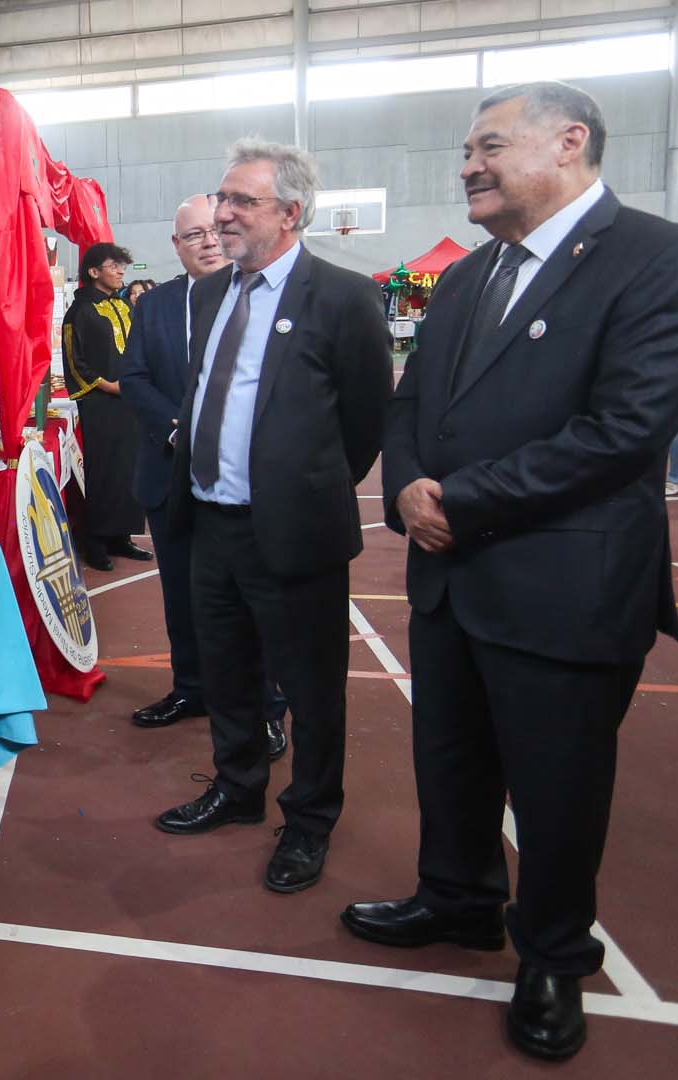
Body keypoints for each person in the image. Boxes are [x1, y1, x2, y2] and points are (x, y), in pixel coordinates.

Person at [353, 82, 678, 1062]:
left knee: (558, 789)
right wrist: (406, 491)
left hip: (566, 585)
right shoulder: (472, 278)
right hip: (451, 578)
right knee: (452, 762)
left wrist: (455, 501)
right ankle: (459, 898)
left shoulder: (664, 260)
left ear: (569, 143)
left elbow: (624, 430)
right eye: (466, 150)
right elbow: (410, 403)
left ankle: (554, 953)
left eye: (488, 145)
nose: (467, 164)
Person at [152, 140, 391, 898]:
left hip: (294, 531)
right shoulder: (210, 292)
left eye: (241, 202)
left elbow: (364, 422)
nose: (222, 215)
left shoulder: (343, 297)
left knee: (313, 688)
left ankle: (310, 819)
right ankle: (238, 785)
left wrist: (302, 488)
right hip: (212, 522)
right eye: (221, 199)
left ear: (290, 213)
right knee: (227, 670)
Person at [119, 195, 288, 758]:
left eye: (214, 231)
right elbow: (135, 377)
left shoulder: (260, 297)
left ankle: (266, 708)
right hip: (169, 474)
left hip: (244, 483)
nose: (208, 242)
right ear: (176, 246)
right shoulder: (155, 305)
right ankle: (190, 688)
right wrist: (177, 431)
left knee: (251, 600)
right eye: (193, 235)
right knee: (181, 593)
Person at [63, 242, 152, 572]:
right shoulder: (79, 312)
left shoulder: (124, 306)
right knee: (102, 472)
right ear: (94, 271)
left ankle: (120, 536)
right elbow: (76, 362)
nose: (120, 272)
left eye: (122, 267)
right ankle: (95, 539)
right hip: (100, 402)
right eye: (114, 266)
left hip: (130, 400)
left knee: (128, 469)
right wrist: (109, 385)